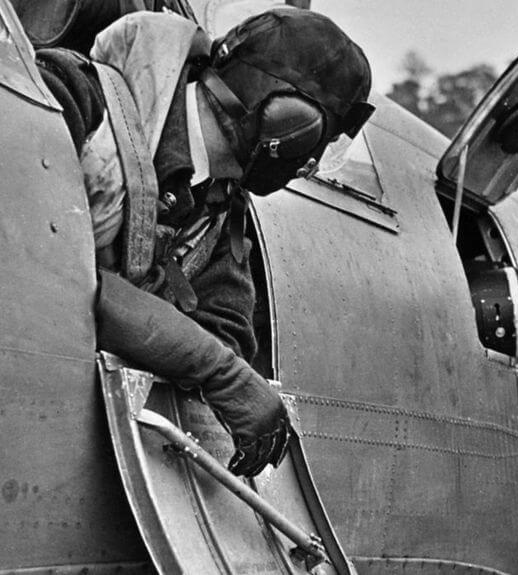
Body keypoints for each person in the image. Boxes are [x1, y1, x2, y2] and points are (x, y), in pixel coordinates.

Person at [34, 7, 373, 476]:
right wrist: (213, 370)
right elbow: (34, 262)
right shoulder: (71, 95)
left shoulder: (214, 213)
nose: (310, 164)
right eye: (320, 141)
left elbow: (226, 332)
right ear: (289, 123)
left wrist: (210, 360)